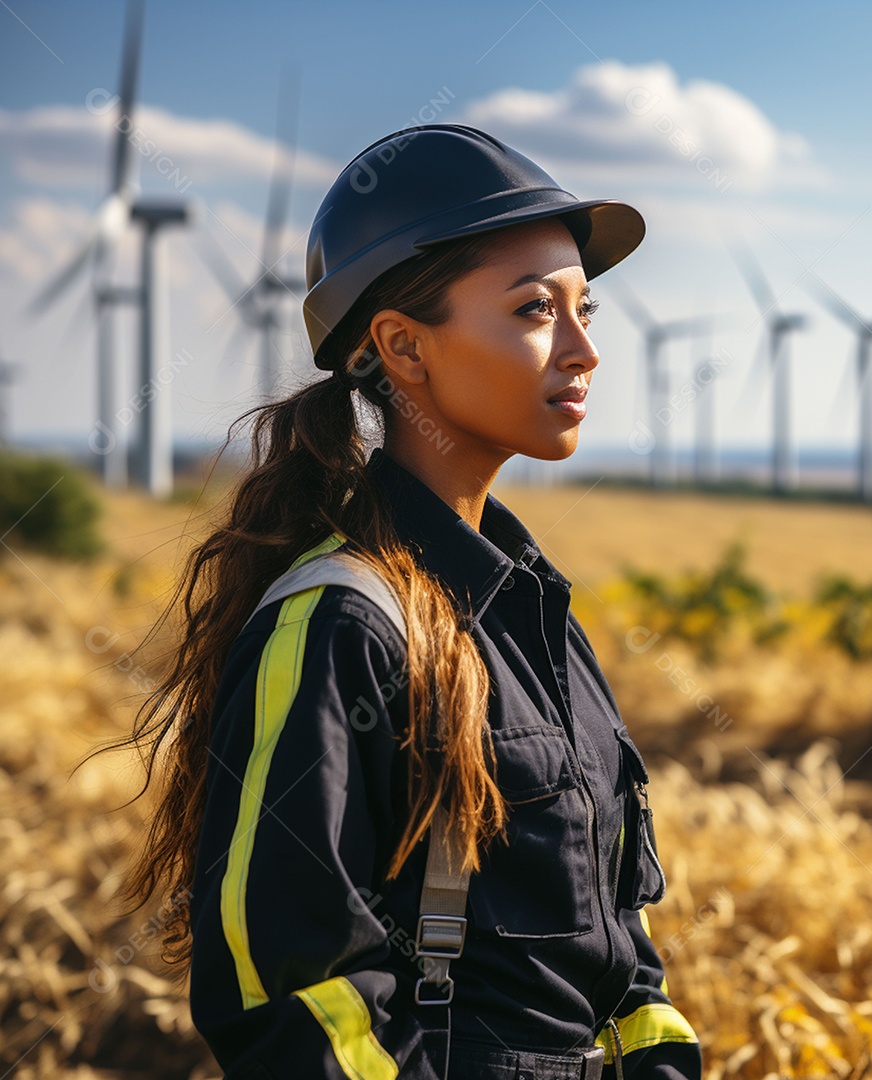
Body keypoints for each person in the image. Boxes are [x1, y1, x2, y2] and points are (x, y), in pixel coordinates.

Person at [118, 124, 702, 1080]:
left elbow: (621, 962)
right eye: (535, 309)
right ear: (401, 346)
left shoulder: (538, 618)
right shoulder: (340, 623)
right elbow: (290, 998)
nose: (585, 350)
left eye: (585, 308)